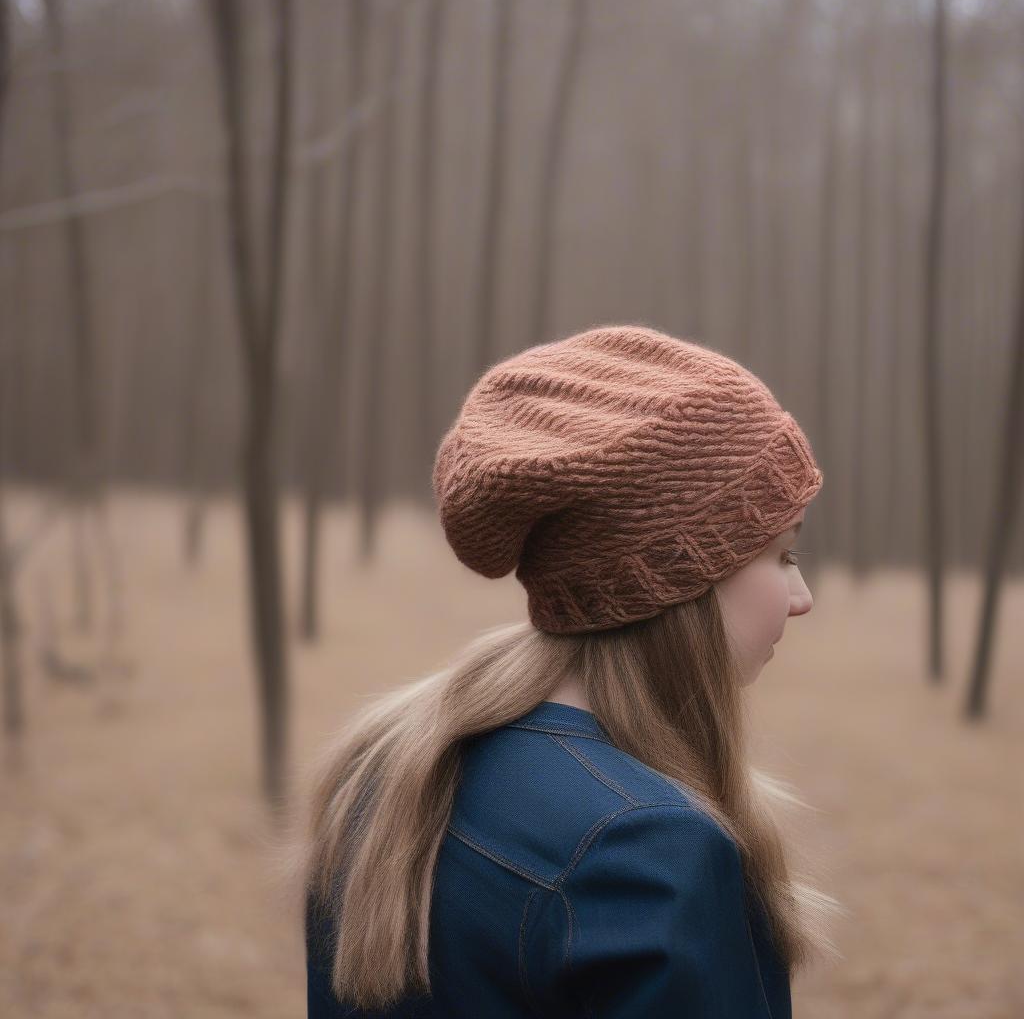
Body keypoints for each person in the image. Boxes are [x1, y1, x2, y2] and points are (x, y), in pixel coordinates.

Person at [300, 324, 843, 1018]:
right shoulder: (647, 849)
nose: (801, 599)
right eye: (781, 557)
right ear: (682, 579)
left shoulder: (386, 768)